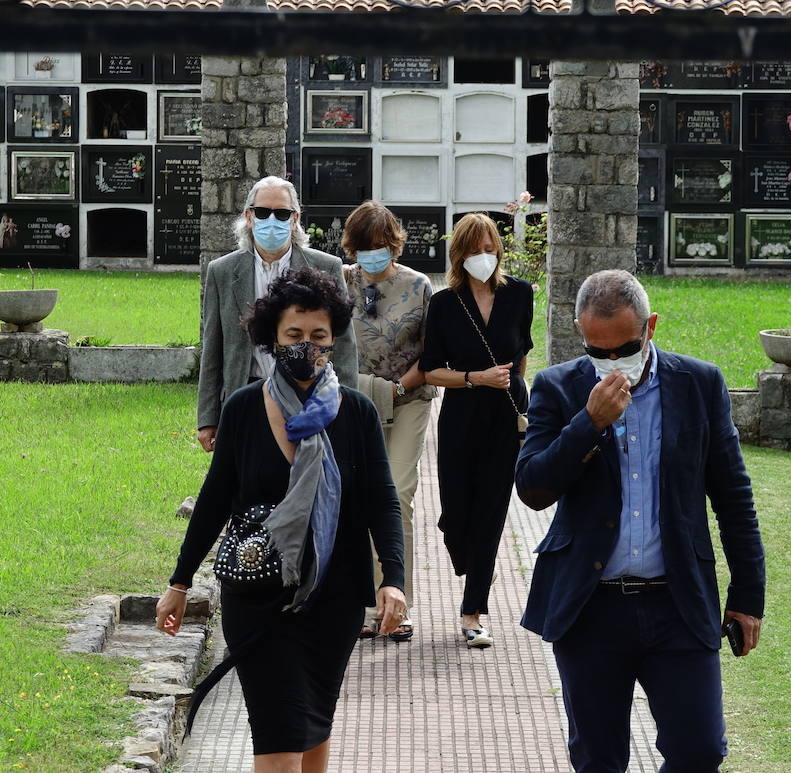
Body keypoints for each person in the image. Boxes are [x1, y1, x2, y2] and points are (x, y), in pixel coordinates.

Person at [156, 267, 406, 773]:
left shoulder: (355, 412)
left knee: (312, 727)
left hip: (333, 601)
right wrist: (180, 583)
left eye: (318, 336)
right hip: (258, 597)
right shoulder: (244, 409)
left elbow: (383, 500)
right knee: (279, 735)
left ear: (334, 339)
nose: (306, 346)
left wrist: (393, 581)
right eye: (294, 335)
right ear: (272, 336)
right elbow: (215, 499)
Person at [515, 269, 766, 772]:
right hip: (590, 609)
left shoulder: (699, 383)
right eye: (597, 350)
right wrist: (588, 424)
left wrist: (746, 597)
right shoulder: (556, 386)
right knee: (598, 759)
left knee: (699, 751)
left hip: (678, 603)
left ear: (651, 326)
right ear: (581, 334)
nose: (611, 361)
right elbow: (534, 488)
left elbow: (734, 496)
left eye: (623, 347)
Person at [420, 212, 533, 648]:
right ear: (458, 256)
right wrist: (474, 377)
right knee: (456, 514)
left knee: (491, 515)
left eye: (490, 248)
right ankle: (465, 549)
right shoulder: (445, 302)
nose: (484, 257)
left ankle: (473, 613)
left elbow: (520, 353)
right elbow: (431, 370)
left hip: (505, 415)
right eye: (474, 250)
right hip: (461, 413)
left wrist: (515, 395)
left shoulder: (520, 293)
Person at [196, 175, 358, 452]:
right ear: (249, 216)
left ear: (295, 219)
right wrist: (207, 418)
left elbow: (343, 346)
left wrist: (345, 408)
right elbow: (213, 346)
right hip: (245, 394)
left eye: (282, 213)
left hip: (309, 395)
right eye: (262, 212)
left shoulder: (326, 267)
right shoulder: (221, 271)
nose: (272, 220)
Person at [339, 200, 436, 642]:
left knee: (397, 494)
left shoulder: (419, 286)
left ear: (394, 244)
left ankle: (399, 603)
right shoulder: (339, 281)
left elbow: (433, 353)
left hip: (409, 398)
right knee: (356, 496)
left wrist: (397, 388)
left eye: (381, 246)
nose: (372, 254)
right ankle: (361, 601)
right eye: (364, 247)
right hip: (355, 404)